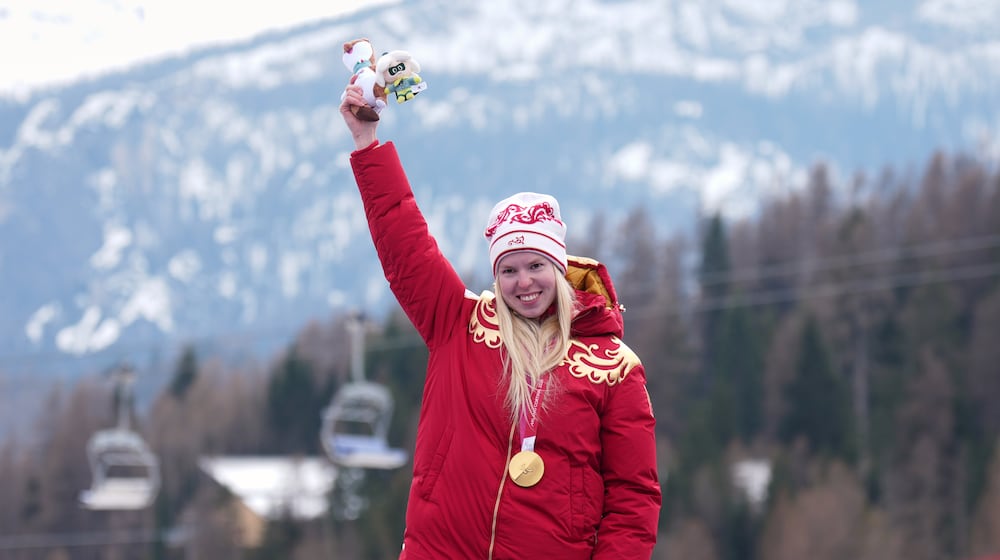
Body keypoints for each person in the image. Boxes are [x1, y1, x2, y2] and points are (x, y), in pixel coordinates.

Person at [340, 83, 661, 559]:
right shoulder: (458, 323)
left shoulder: (613, 366)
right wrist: (367, 142)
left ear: (560, 268)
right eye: (508, 270)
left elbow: (633, 499)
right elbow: (405, 242)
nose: (523, 282)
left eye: (536, 266)